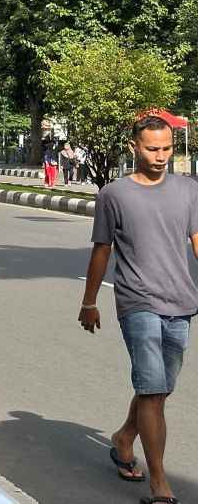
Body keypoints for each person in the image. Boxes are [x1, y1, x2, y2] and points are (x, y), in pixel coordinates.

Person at [78, 115, 198, 504]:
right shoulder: (114, 194)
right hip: (137, 301)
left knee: (160, 390)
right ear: (135, 147)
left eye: (166, 148)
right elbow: (102, 249)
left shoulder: (188, 190)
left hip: (180, 301)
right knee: (151, 389)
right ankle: (159, 482)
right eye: (152, 148)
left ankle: (124, 437)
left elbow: (197, 240)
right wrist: (89, 301)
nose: (161, 156)